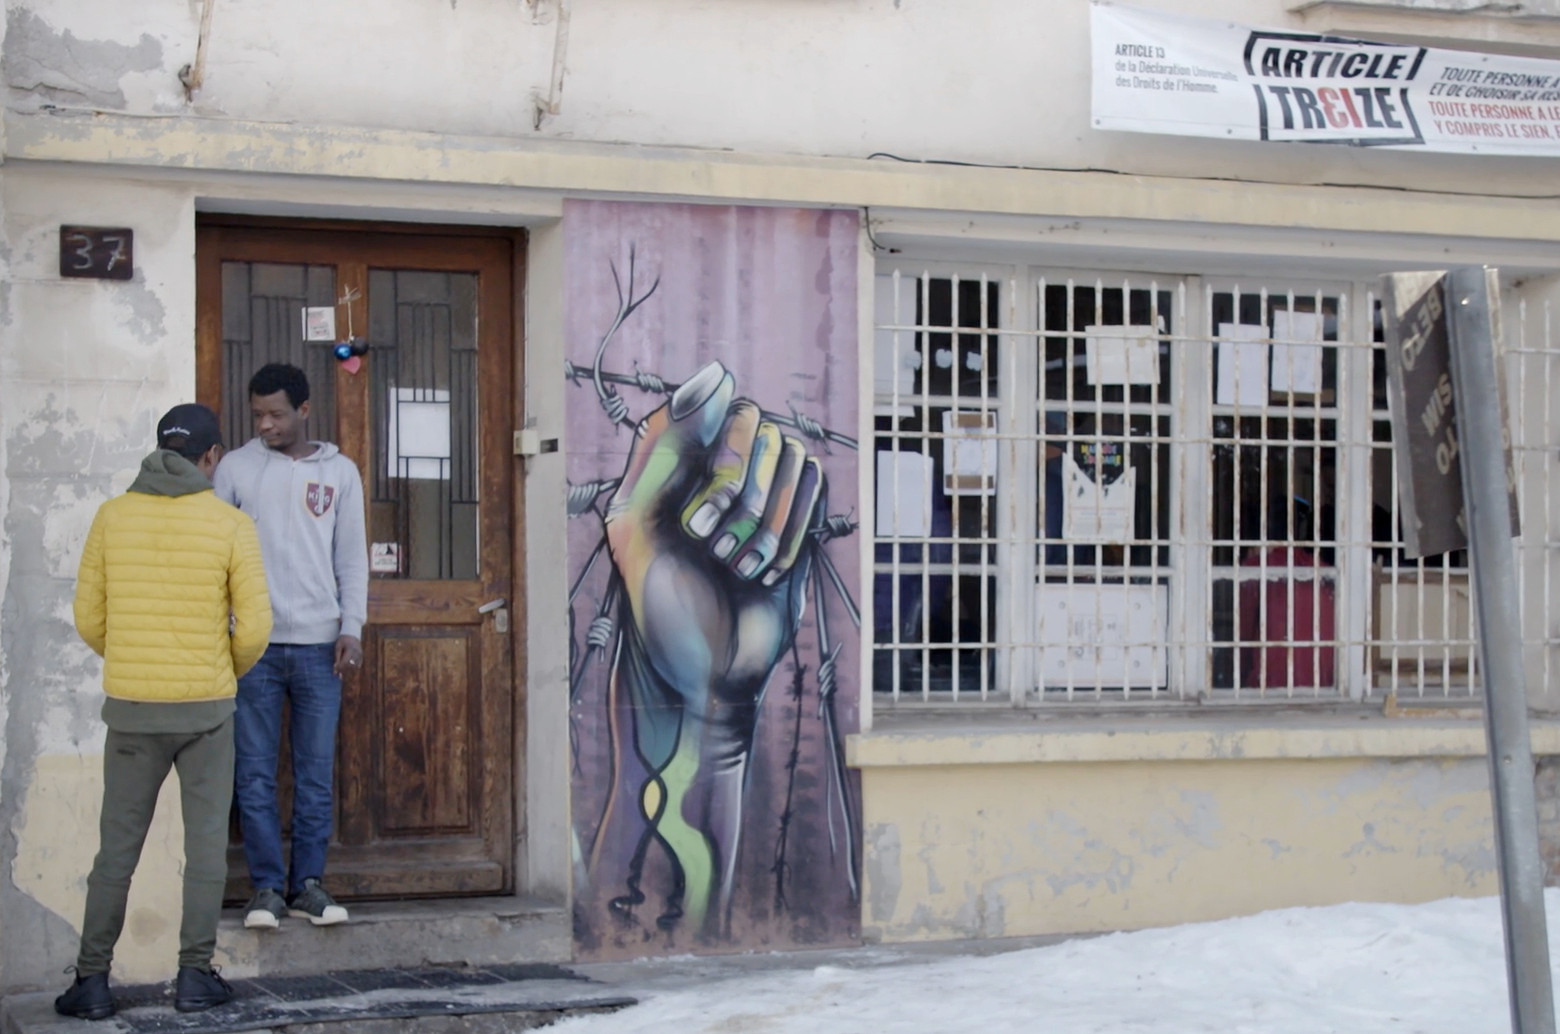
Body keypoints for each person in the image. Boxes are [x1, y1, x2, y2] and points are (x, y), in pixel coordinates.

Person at [57, 404, 271, 1020]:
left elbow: (88, 617)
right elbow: (256, 627)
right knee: (204, 850)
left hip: (133, 712)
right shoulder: (230, 524)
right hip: (206, 710)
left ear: (159, 451)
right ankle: (195, 977)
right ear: (211, 457)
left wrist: (131, 659)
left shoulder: (112, 516)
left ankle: (92, 982)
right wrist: (221, 668)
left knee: (116, 851)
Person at [214, 363, 367, 930]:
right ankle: (266, 889)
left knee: (314, 774)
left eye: (276, 414)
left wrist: (353, 626)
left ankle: (308, 885)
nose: (265, 424)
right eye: (257, 414)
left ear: (304, 410)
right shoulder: (235, 468)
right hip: (252, 648)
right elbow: (216, 555)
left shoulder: (340, 473)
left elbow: (351, 555)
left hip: (320, 647)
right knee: (253, 774)